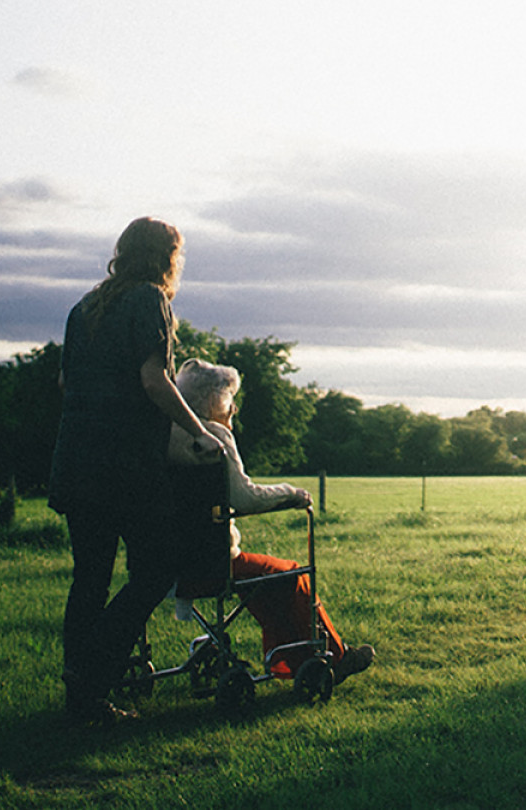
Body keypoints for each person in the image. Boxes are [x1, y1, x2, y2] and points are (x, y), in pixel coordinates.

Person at [48, 217, 224, 723]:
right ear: (167, 256)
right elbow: (155, 380)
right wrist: (199, 431)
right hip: (123, 466)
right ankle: (92, 672)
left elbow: (66, 381)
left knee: (90, 579)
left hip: (75, 460)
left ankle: (81, 698)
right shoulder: (150, 301)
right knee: (156, 569)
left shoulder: (83, 308)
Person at [167, 358, 375, 684]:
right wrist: (291, 493)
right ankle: (335, 656)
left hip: (170, 562)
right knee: (291, 573)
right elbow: (245, 498)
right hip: (213, 562)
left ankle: (289, 662)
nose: (233, 408)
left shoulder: (167, 435)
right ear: (212, 400)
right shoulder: (214, 436)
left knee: (267, 578)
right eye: (229, 398)